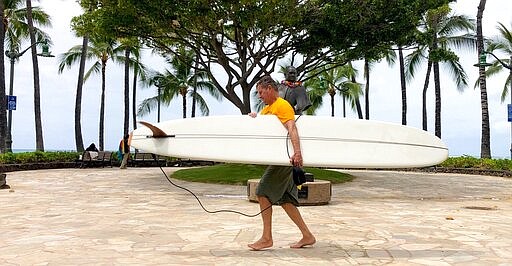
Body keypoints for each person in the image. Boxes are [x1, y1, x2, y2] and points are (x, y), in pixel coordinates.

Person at [247, 75, 315, 251]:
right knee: (286, 200)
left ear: (269, 89)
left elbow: (292, 127)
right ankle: (307, 235)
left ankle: (266, 238)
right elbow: (265, 132)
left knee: (262, 192)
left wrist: (297, 153)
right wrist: (254, 118)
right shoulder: (268, 109)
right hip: (281, 158)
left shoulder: (282, 105)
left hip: (286, 159)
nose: (259, 96)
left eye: (261, 92)